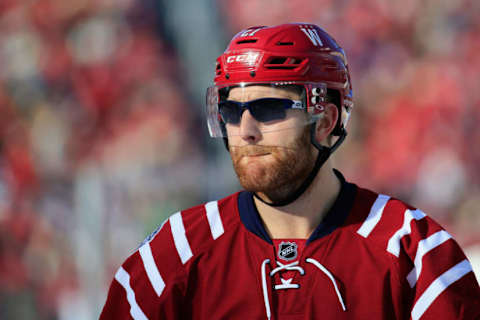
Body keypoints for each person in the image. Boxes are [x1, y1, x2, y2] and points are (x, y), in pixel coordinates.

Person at [99, 23, 480, 319]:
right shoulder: (173, 253)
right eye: (231, 113)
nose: (245, 131)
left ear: (326, 120)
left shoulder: (414, 249)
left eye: (268, 109)